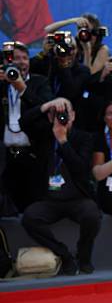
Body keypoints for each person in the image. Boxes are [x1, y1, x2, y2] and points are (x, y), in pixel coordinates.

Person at [22, 98, 101, 275]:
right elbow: (24, 121)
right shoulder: (43, 135)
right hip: (49, 200)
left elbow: (81, 168)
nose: (62, 117)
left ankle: (84, 255)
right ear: (50, 116)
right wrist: (46, 106)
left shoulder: (84, 138)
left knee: (92, 215)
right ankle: (64, 254)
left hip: (77, 198)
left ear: (73, 115)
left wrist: (63, 141)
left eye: (65, 113)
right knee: (30, 217)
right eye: (57, 114)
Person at [0, 41, 53, 211]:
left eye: (25, 58)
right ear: (8, 62)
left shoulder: (40, 82)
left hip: (33, 156)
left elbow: (46, 107)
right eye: (16, 58)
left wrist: (22, 88)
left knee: (32, 208)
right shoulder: (2, 83)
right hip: (5, 157)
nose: (22, 61)